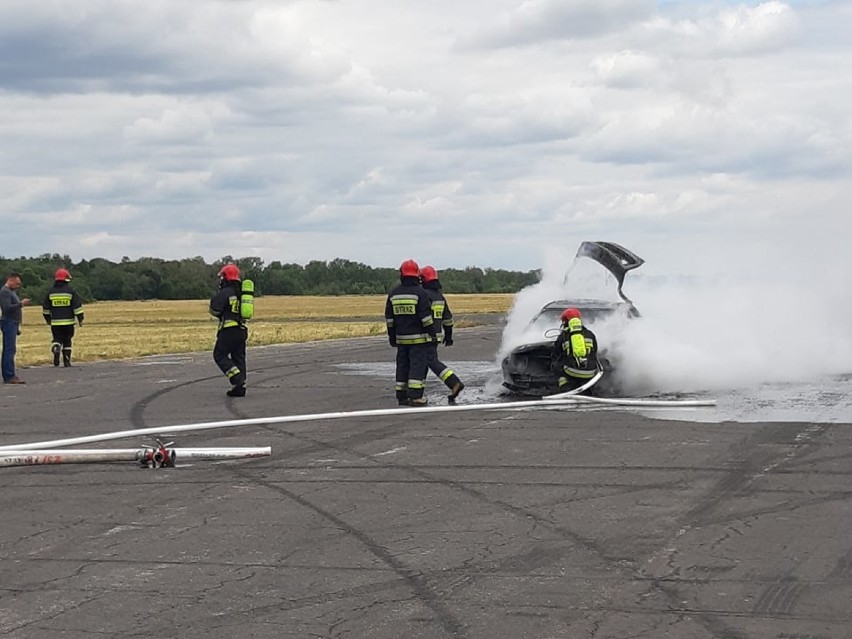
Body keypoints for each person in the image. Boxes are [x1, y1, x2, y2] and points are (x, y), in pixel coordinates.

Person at [385, 259, 436, 406]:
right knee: (416, 367)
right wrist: (432, 334)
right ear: (416, 276)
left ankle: (401, 395)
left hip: (401, 340)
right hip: (418, 341)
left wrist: (392, 336)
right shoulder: (421, 293)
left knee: (402, 366)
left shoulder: (393, 294)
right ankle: (415, 397)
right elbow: (426, 318)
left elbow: (389, 319)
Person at [420, 265, 464, 403]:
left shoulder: (423, 295)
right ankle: (418, 392)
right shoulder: (439, 296)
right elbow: (448, 318)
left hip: (424, 336)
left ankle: (454, 382)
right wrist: (448, 336)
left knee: (430, 361)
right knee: (423, 363)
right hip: (437, 336)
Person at [209, 263, 248, 397]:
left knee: (219, 355)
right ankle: (240, 387)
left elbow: (214, 309)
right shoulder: (242, 292)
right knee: (238, 357)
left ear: (226, 277)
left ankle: (236, 377)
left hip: (228, 330)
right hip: (241, 330)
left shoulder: (226, 292)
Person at [550, 308, 601, 394]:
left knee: (556, 364)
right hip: (590, 373)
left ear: (565, 322)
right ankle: (589, 389)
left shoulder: (563, 336)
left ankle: (564, 387)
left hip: (571, 373)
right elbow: (594, 352)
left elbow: (556, 354)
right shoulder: (590, 334)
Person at [41, 268, 85, 367]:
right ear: (66, 279)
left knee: (57, 338)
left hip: (55, 323)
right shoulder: (70, 292)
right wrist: (80, 319)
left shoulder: (51, 292)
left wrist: (48, 320)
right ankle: (67, 361)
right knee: (67, 340)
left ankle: (56, 347)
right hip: (68, 322)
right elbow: (77, 307)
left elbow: (46, 309)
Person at [1, 272, 32, 384]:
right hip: (8, 322)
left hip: (13, 323)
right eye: (17, 284)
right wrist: (21, 304)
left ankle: (9, 374)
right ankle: (9, 375)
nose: (18, 286)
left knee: (10, 349)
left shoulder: (11, 292)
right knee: (9, 349)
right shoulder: (5, 292)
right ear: (11, 280)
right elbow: (7, 308)